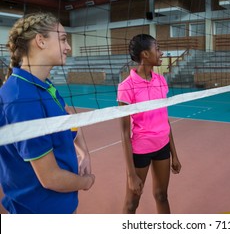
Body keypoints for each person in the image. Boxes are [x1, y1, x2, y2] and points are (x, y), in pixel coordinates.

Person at [0, 12, 95, 213]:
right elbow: (50, 178)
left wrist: (83, 151)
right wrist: (86, 182)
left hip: (62, 206)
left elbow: (68, 120)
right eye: (62, 39)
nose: (69, 47)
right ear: (40, 41)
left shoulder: (44, 85)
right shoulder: (22, 98)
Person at [117, 34, 181, 214]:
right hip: (141, 150)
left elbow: (164, 119)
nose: (161, 53)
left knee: (162, 195)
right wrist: (131, 174)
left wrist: (174, 154)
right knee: (131, 204)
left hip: (162, 147)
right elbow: (124, 133)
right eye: (157, 49)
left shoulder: (161, 80)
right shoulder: (126, 86)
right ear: (145, 54)